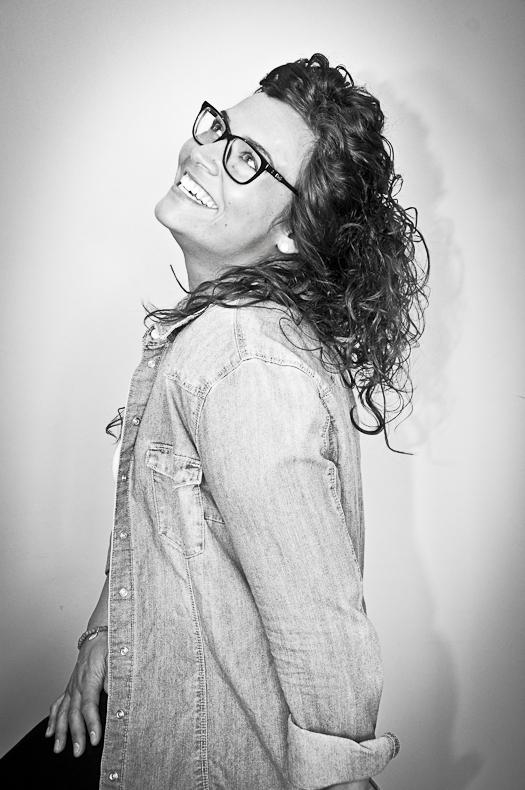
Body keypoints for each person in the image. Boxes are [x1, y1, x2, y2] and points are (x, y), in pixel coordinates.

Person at [1, 53, 428, 789]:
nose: (204, 152)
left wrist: (342, 776)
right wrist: (104, 633)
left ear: (293, 227)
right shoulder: (217, 332)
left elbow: (318, 621)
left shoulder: (242, 358)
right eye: (219, 128)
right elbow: (161, 522)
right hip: (146, 709)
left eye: (248, 160)